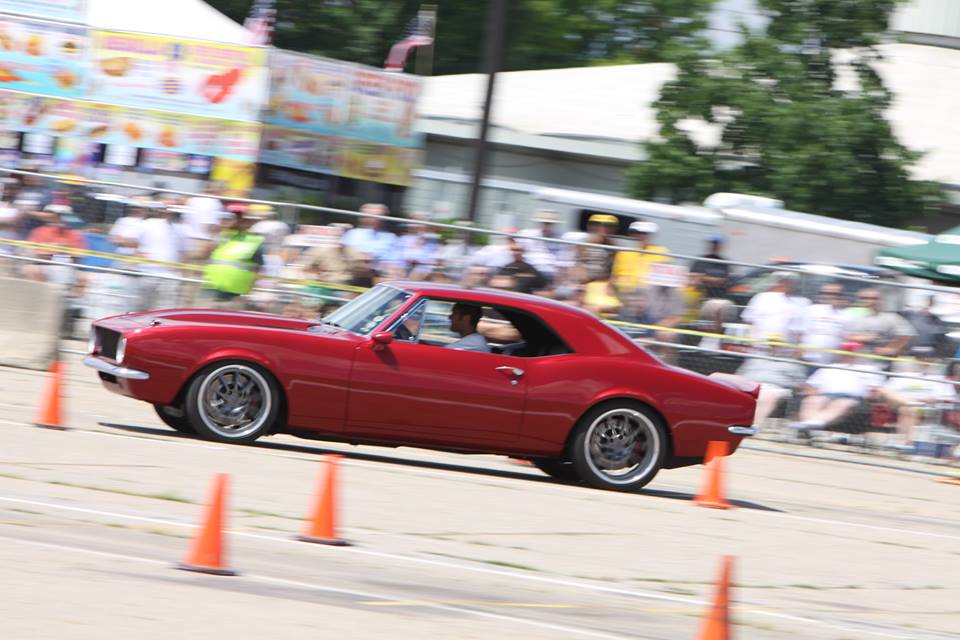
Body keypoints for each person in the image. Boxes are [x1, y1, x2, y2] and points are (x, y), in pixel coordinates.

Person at [790, 342, 885, 437]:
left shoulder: (870, 369)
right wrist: (812, 391)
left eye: (852, 352)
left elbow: (875, 390)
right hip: (826, 395)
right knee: (812, 400)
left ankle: (813, 423)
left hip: (853, 397)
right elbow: (811, 386)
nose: (848, 355)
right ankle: (809, 424)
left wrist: (870, 394)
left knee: (842, 403)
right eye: (846, 352)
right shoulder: (829, 367)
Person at [203, 209, 265, 305]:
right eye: (225, 219)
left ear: (245, 222)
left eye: (232, 219)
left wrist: (247, 293)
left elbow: (257, 270)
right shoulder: (222, 237)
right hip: (211, 288)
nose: (226, 222)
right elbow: (204, 255)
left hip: (234, 293)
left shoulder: (254, 241)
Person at [845, 288, 916, 358]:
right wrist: (863, 338)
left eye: (874, 298)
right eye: (865, 298)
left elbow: (906, 334)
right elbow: (846, 336)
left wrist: (891, 349)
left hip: (882, 360)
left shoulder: (892, 317)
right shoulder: (852, 316)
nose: (870, 301)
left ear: (881, 300)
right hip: (858, 358)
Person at [741, 271, 809, 343]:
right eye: (781, 281)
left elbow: (801, 331)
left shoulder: (802, 303)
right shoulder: (761, 297)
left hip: (785, 346)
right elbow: (749, 321)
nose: (784, 284)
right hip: (760, 344)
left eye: (788, 281)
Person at [799, 283, 851, 364]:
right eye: (823, 293)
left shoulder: (847, 314)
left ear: (841, 295)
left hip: (832, 363)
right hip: (807, 359)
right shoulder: (811, 309)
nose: (827, 296)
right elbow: (800, 332)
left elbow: (848, 338)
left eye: (832, 294)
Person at [611, 220, 669, 293]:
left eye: (645, 233)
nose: (641, 236)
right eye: (638, 233)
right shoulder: (624, 252)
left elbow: (666, 278)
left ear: (651, 235)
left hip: (648, 292)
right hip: (624, 290)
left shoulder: (662, 252)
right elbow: (615, 275)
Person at [340, 203, 397, 267]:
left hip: (383, 269)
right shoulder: (353, 233)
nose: (376, 219)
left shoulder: (391, 237)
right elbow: (351, 255)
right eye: (371, 215)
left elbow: (394, 261)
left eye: (379, 216)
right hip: (359, 267)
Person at [689, 235, 730, 300]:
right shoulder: (700, 260)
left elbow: (725, 280)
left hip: (718, 296)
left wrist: (703, 277)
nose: (714, 246)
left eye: (716, 244)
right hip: (700, 294)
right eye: (712, 244)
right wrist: (714, 279)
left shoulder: (724, 262)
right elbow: (693, 277)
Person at [582, 213, 617, 282]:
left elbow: (614, 265)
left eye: (608, 226)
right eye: (597, 225)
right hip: (585, 279)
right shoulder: (583, 242)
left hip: (602, 281)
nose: (603, 228)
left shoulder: (612, 245)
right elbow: (579, 261)